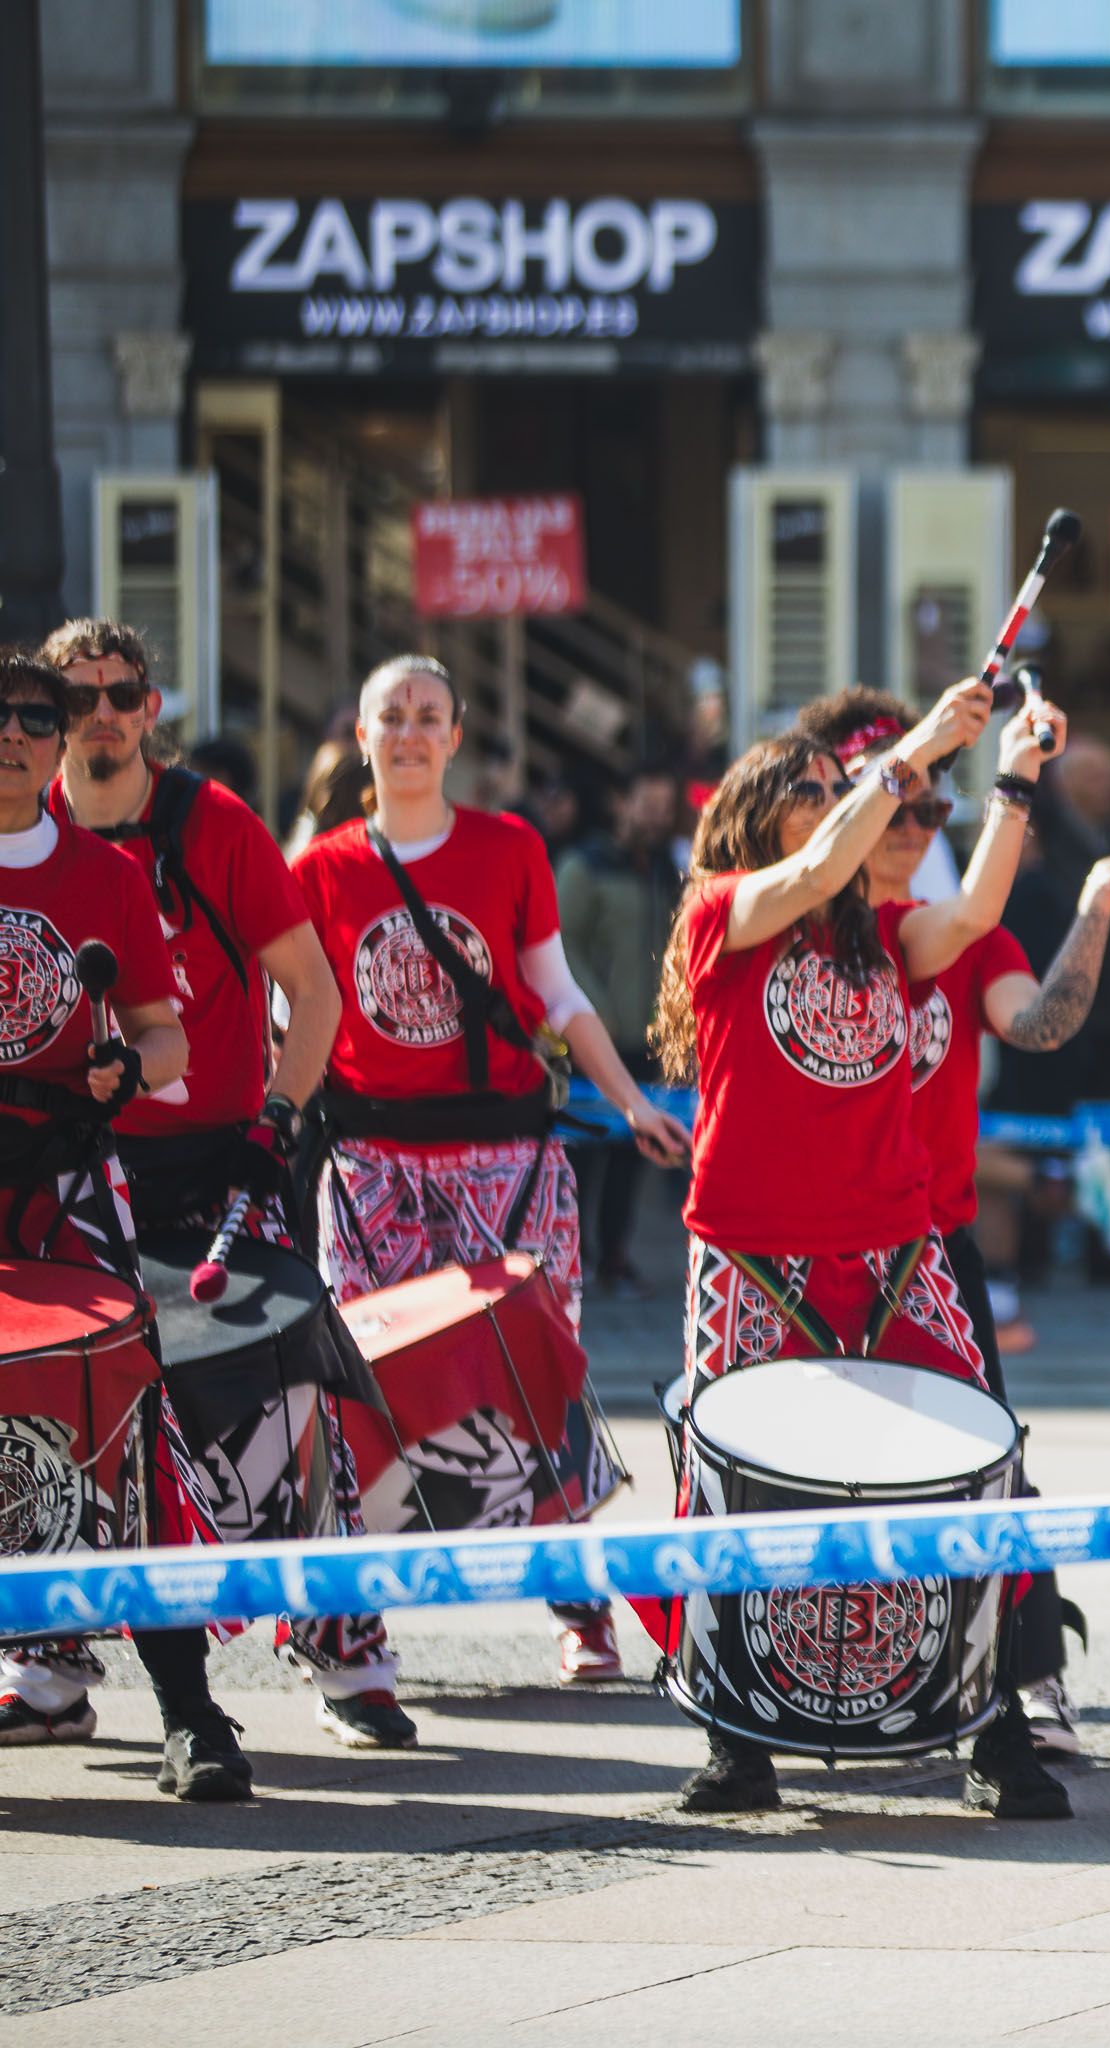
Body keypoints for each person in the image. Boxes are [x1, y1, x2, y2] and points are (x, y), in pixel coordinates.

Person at [642, 680, 1067, 1819]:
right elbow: (820, 869)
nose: (847, 807)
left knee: (983, 1469)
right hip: (751, 1247)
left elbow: (971, 916)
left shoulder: (885, 934)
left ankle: (996, 1726)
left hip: (894, 1246)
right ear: (758, 813)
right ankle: (737, 1739)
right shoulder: (724, 910)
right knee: (729, 1487)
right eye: (817, 790)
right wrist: (920, 744)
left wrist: (1014, 779)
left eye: (845, 788)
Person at [38, 619, 415, 1750]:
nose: (104, 711)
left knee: (295, 1392)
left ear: (152, 706)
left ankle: (350, 1652)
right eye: (78, 695)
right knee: (75, 1415)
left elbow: (315, 992)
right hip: (73, 1172)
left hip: (225, 1160)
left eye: (124, 691)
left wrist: (279, 1124)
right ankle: (49, 1659)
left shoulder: (216, 823)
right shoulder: (28, 833)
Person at [289, 655, 688, 1688]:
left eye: (430, 716)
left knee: (537, 1377)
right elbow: (294, 1016)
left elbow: (558, 992)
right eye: (394, 716)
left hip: (509, 1156)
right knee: (361, 1387)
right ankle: (353, 1624)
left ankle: (578, 1604)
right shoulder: (319, 871)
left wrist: (634, 1100)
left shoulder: (509, 848)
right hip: (372, 1160)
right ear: (363, 734)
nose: (412, 733)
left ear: (457, 736)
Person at [818, 684, 1110, 1766]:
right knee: (800, 1467)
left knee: (990, 1465)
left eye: (930, 808)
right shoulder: (782, 924)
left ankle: (1023, 1675)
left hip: (934, 1246)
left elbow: (1039, 1022)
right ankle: (788, 1691)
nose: (913, 822)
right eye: (888, 800)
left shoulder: (966, 929)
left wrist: (1098, 910)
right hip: (807, 1249)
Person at [0, 650, 244, 1797]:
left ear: (60, 742)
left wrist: (121, 1070)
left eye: (34, 718)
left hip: (70, 1179)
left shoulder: (102, 873)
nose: (15, 733)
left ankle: (190, 1714)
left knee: (130, 1433)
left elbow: (168, 1036)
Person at [555, 762, 688, 1299]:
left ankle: (613, 1257)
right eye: (647, 805)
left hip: (648, 1041)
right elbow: (562, 949)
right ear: (620, 802)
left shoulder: (664, 869)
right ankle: (575, 1256)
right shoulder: (583, 867)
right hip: (593, 1043)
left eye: (664, 808)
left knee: (634, 1159)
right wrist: (598, 1013)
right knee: (582, 1157)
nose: (656, 818)